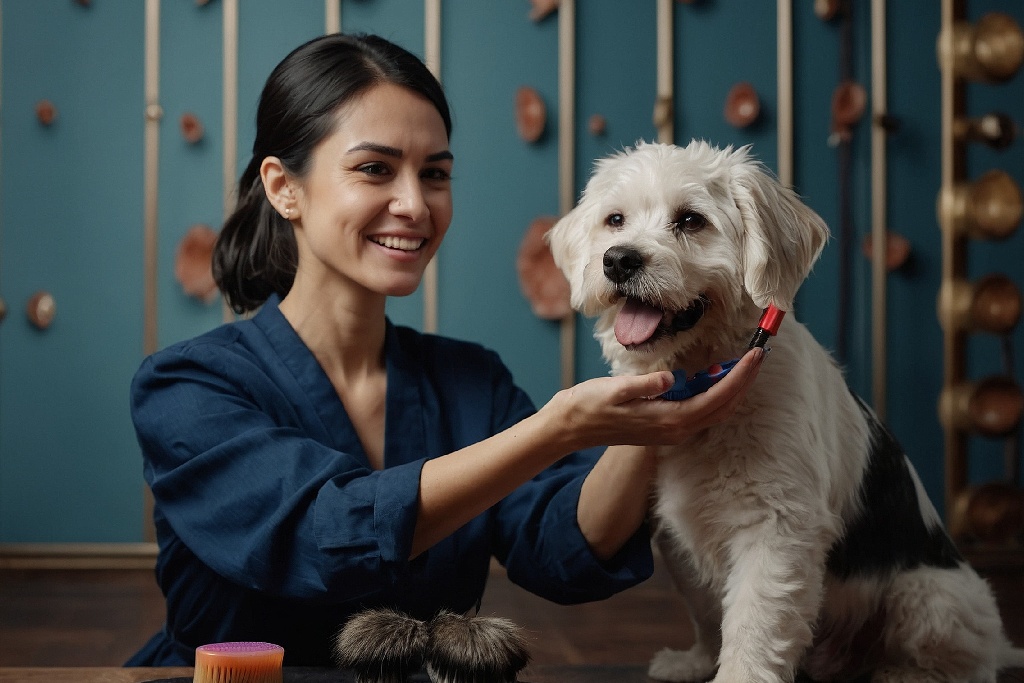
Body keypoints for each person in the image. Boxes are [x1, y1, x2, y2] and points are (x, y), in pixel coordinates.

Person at [126, 32, 765, 667]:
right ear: (283, 187)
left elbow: (563, 547)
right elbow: (322, 536)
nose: (414, 204)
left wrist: (647, 422)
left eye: (435, 174)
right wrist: (554, 430)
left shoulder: (470, 381)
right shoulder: (186, 386)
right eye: (375, 168)